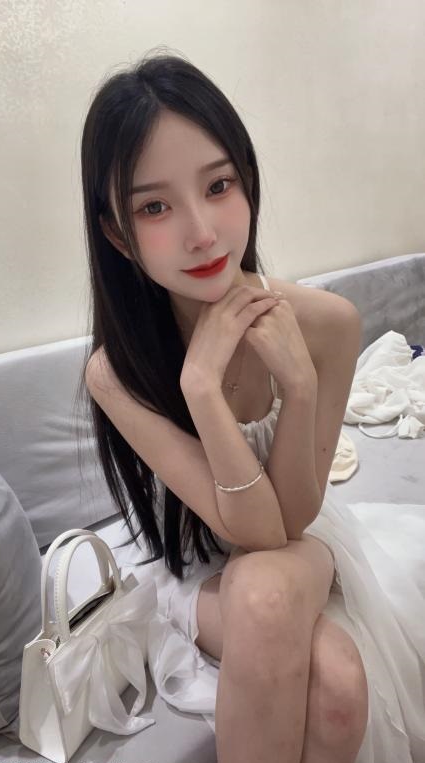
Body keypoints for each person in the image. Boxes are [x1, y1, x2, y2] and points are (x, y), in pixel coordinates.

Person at [80, 51, 425, 763]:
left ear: (247, 180)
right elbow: (245, 535)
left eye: (219, 185)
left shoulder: (327, 324)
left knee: (269, 589)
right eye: (154, 206)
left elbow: (284, 525)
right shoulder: (115, 373)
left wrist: (299, 384)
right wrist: (201, 391)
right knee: (334, 681)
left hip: (304, 542)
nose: (202, 232)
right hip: (196, 567)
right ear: (117, 234)